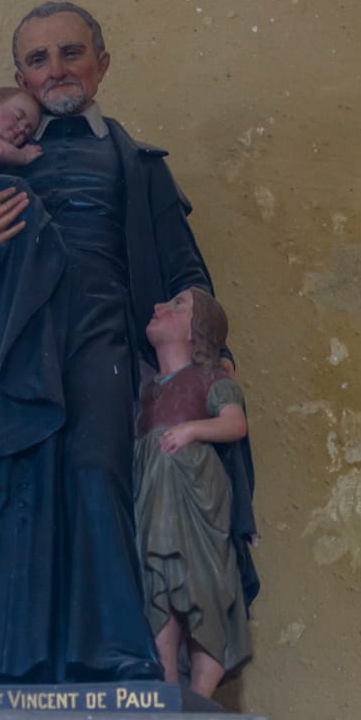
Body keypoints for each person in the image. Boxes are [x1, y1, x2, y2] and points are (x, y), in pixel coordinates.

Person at [0, 1, 220, 702]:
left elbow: (185, 271)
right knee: (17, 485)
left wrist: (210, 347)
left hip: (102, 335)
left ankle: (115, 653)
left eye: (71, 52)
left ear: (101, 64)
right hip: (12, 344)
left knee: (97, 469)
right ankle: (8, 660)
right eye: (38, 58)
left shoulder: (138, 165)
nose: (55, 69)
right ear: (18, 75)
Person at [135, 288, 252, 698]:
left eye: (177, 305)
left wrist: (189, 430)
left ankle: (200, 695)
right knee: (158, 579)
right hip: (152, 492)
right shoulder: (146, 390)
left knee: (204, 583)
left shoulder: (210, 377)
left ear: (195, 330)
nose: (158, 306)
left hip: (196, 491)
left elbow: (234, 423)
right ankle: (165, 685)